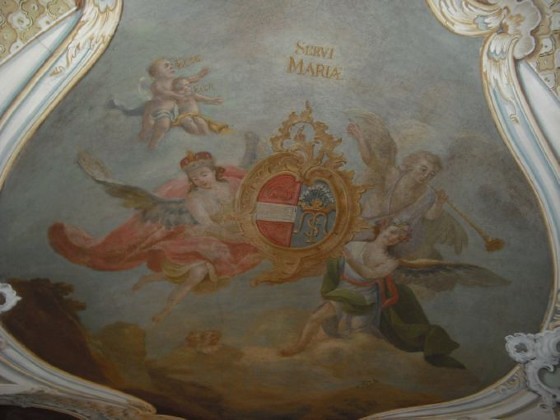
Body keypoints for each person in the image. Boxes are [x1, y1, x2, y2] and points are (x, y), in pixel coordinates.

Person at [48, 151, 262, 323]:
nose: (200, 180)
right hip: (209, 237)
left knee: (200, 271)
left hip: (237, 231)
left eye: (204, 174)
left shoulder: (233, 184)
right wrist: (242, 232)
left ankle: (154, 281)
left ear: (214, 171)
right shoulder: (194, 199)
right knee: (198, 272)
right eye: (195, 178)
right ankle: (164, 307)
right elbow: (209, 227)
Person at [280, 221, 464, 369]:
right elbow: (333, 262)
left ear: (399, 242)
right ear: (383, 228)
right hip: (343, 290)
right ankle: (299, 347)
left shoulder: (390, 261)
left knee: (358, 335)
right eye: (392, 231)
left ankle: (364, 366)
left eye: (398, 237)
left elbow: (369, 274)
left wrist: (351, 260)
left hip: (364, 296)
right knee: (317, 317)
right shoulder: (354, 245)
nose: (392, 237)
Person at [347, 118, 451, 259]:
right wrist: (360, 138)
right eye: (423, 169)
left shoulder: (428, 194)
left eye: (431, 174)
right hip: (367, 222)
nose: (426, 176)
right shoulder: (394, 175)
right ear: (411, 165)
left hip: (391, 235)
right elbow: (370, 161)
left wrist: (439, 203)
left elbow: (429, 216)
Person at [138, 58, 209, 148]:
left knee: (172, 124)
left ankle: (201, 138)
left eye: (171, 65)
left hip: (173, 111)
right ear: (156, 73)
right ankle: (150, 141)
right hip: (159, 110)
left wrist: (200, 75)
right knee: (161, 126)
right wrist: (177, 95)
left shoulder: (175, 81)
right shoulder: (157, 84)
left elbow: (189, 79)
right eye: (166, 66)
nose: (171, 66)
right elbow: (164, 92)